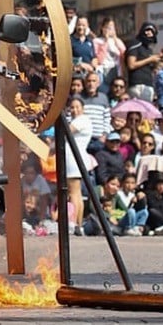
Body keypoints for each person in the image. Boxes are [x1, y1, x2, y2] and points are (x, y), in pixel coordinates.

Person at [64, 98, 96, 235]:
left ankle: (74, 223)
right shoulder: (78, 120)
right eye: (72, 107)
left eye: (77, 107)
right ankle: (78, 224)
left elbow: (66, 130)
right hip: (74, 157)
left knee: (73, 192)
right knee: (76, 192)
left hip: (73, 157)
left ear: (83, 108)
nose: (74, 110)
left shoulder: (82, 120)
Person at [124, 22, 162, 104]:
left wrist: (156, 62)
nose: (149, 33)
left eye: (152, 32)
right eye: (147, 30)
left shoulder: (148, 49)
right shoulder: (135, 44)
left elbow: (149, 68)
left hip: (148, 84)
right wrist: (150, 59)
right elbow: (131, 65)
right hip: (137, 84)